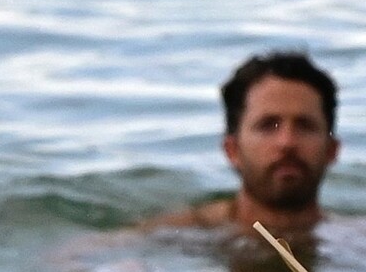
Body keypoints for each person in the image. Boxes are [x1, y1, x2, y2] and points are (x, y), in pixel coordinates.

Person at [143, 50, 340, 236]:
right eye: (268, 125)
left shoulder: (353, 240)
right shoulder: (169, 236)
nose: (287, 142)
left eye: (305, 126)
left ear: (331, 150)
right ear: (232, 149)